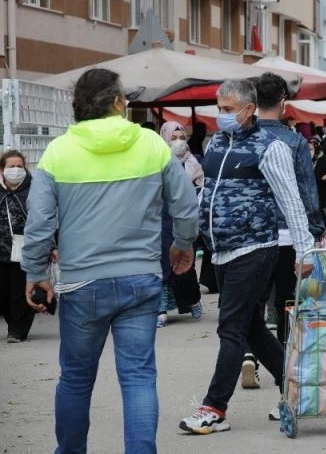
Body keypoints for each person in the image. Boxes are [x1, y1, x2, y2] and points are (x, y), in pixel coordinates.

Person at [22, 68, 198, 453]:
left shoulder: (58, 152)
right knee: (138, 378)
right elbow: (186, 207)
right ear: (118, 103)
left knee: (75, 379)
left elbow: (38, 224)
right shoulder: (151, 145)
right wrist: (182, 245)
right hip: (140, 279)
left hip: (82, 285)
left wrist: (36, 273)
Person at [179, 79, 315, 435]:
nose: (220, 115)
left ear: (249, 109)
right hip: (220, 250)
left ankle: (215, 408)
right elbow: (205, 193)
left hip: (255, 247)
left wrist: (305, 249)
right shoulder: (217, 143)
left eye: (228, 110)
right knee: (252, 328)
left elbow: (291, 200)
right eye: (218, 108)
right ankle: (297, 387)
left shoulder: (271, 146)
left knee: (232, 327)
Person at [241, 73, 325, 398]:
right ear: (283, 102)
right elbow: (305, 190)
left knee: (255, 303)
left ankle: (251, 354)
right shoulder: (293, 142)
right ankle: (287, 372)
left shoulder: (243, 138)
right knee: (288, 304)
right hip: (290, 236)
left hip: (254, 237)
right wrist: (314, 230)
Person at [156, 121, 204, 328]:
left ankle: (192, 299)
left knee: (185, 266)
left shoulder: (194, 164)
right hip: (162, 220)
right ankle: (161, 308)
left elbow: (202, 190)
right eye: (173, 138)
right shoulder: (156, 163)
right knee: (161, 264)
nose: (178, 142)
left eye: (182, 138)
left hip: (187, 219)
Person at [0, 151, 36, 343]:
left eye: (19, 166)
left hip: (25, 249)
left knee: (21, 290)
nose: (15, 170)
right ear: (2, 169)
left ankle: (18, 330)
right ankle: (11, 322)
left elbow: (44, 219)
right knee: (4, 292)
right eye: (10, 167)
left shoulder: (34, 191)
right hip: (2, 250)